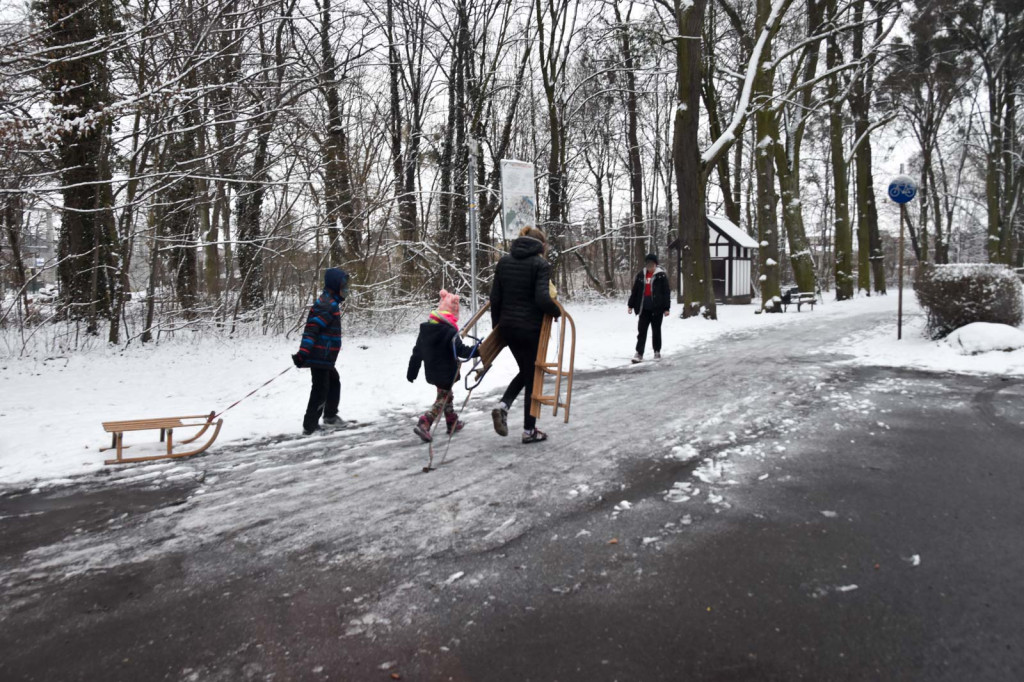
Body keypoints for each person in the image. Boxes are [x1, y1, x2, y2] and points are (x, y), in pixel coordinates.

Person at [490, 226, 561, 444]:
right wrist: (555, 310)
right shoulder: (540, 264)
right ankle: (529, 430)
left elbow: (495, 299)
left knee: (527, 370)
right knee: (532, 376)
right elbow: (541, 298)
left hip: (508, 328)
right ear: (541, 245)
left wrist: (498, 329)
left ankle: (504, 406)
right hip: (531, 329)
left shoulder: (504, 262)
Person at [407, 289, 477, 443]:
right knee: (443, 398)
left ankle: (452, 421)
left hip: (432, 371)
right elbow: (462, 351)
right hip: (446, 371)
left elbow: (417, 352)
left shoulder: (426, 330)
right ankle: (425, 422)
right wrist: (478, 350)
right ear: (453, 315)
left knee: (446, 395)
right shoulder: (450, 331)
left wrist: (412, 371)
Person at [292, 267, 349, 435]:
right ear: (334, 285)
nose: (346, 289)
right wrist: (303, 353)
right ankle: (310, 426)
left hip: (325, 356)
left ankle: (330, 416)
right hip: (319, 356)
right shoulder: (326, 304)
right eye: (343, 285)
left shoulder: (331, 302)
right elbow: (312, 329)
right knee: (320, 389)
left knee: (333, 382)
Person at [627, 253, 671, 363]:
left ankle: (657, 351)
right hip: (644, 309)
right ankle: (639, 353)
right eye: (648, 265)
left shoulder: (661, 276)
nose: (650, 267)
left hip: (657, 309)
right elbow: (635, 291)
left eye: (652, 265)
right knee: (642, 331)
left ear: (656, 265)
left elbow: (666, 293)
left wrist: (666, 308)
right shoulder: (641, 275)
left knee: (656, 331)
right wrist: (630, 305)